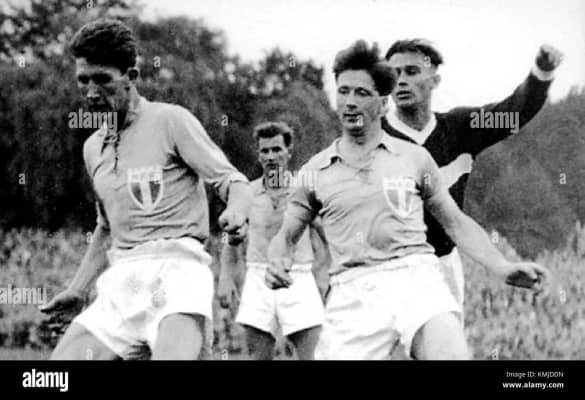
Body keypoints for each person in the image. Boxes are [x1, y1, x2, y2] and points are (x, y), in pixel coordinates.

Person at [265, 40, 549, 360]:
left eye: (362, 93)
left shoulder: (418, 155)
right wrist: (276, 261)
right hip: (354, 291)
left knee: (450, 354)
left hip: (417, 277)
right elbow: (285, 237)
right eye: (344, 91)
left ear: (381, 102)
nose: (351, 102)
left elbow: (455, 222)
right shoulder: (314, 171)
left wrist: (502, 266)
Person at [40, 19, 251, 360]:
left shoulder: (170, 120)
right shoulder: (93, 148)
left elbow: (232, 181)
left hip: (178, 274)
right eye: (83, 80)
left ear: (131, 76)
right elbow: (107, 228)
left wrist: (237, 210)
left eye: (102, 79)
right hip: (122, 281)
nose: (91, 92)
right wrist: (78, 290)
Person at [382, 39, 562, 311]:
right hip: (386, 270)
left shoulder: (460, 127)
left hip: (443, 267)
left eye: (411, 71)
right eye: (394, 74)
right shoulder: (373, 137)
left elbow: (513, 113)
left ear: (435, 80)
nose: (402, 81)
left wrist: (542, 73)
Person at [218, 122, 329, 360]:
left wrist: (326, 274)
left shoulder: (304, 190)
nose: (271, 157)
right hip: (258, 276)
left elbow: (327, 233)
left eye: (277, 149)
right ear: (258, 155)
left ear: (289, 151)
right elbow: (229, 237)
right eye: (265, 151)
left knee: (314, 354)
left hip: (298, 275)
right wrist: (226, 278)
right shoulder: (248, 192)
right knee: (258, 355)